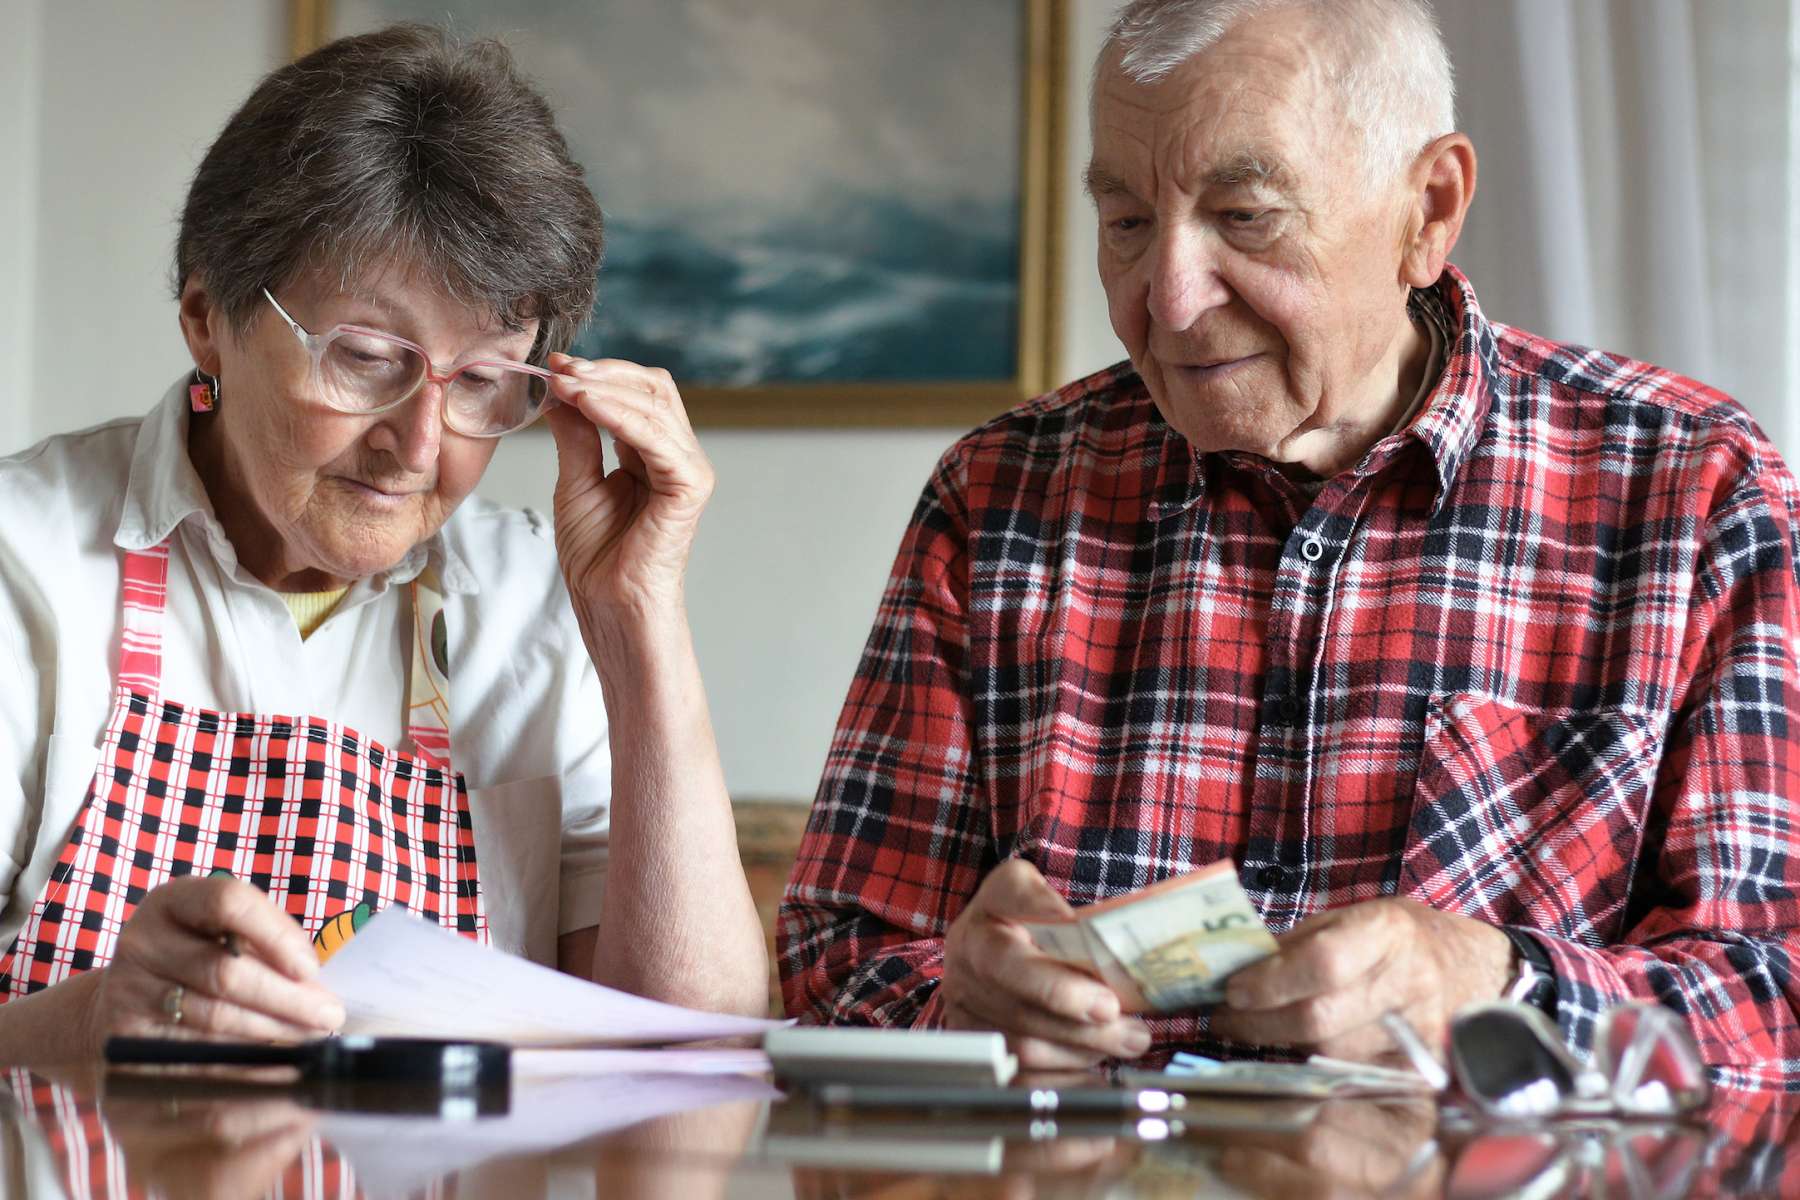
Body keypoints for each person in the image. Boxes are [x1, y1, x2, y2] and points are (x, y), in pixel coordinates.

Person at [780, 0, 1800, 1080]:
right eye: (1126, 222)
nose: (1167, 302)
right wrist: (957, 1008)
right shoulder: (997, 498)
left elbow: (1775, 998)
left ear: (1430, 208)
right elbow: (833, 969)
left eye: (1246, 216)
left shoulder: (1694, 489)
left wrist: (1498, 990)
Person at [0, 24, 767, 1060]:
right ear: (205, 316)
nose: (417, 443)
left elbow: (695, 1055)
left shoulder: (538, 603)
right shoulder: (25, 563)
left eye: (487, 381)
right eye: (365, 357)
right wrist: (90, 1024)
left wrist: (643, 623)